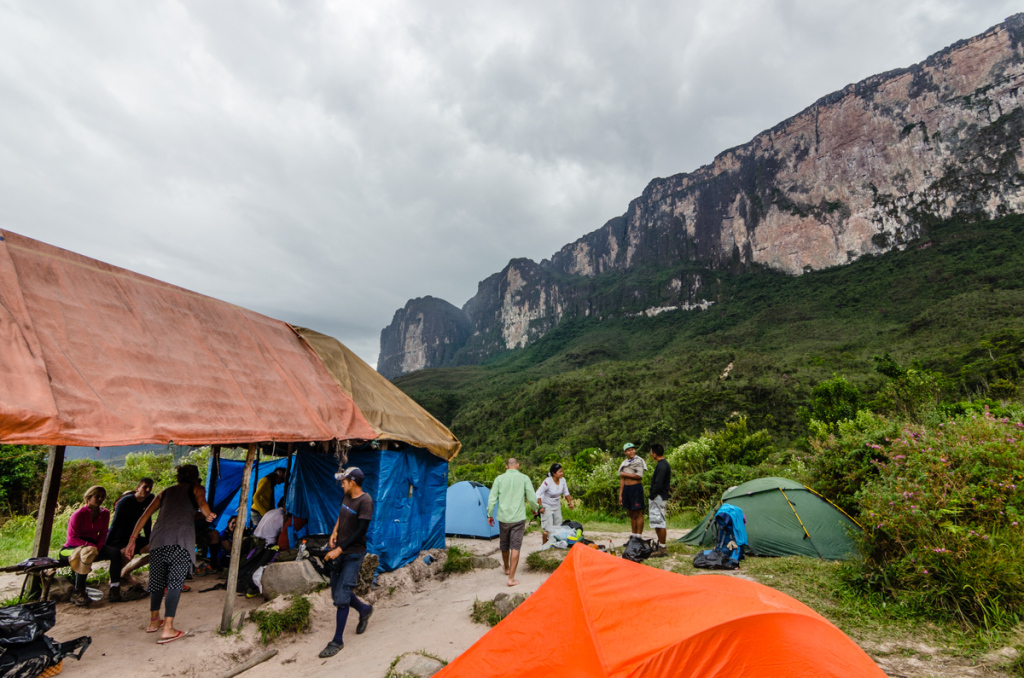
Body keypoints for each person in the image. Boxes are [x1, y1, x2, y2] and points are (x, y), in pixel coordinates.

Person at [125, 464, 216, 645]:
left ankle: (153, 622)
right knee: (175, 582)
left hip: (158, 538)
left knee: (157, 579)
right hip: (180, 539)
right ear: (195, 477)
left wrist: (132, 539)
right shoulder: (197, 488)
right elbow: (202, 503)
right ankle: (168, 628)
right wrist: (208, 514)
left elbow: (144, 516)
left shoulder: (165, 492)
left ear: (178, 477)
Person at [319, 467, 374, 659]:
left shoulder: (365, 501)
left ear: (353, 482)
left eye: (344, 481)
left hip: (353, 554)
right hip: (340, 551)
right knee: (337, 593)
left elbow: (361, 531)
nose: (341, 484)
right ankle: (364, 609)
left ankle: (337, 640)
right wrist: (335, 532)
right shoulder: (347, 496)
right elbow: (341, 515)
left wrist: (339, 550)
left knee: (341, 599)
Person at [60, 485, 124, 605]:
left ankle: (114, 587)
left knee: (115, 553)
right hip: (71, 548)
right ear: (88, 498)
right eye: (97, 496)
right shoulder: (78, 515)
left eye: (102, 497)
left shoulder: (104, 513)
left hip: (94, 546)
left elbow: (104, 532)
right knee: (86, 554)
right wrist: (90, 546)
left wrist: (98, 547)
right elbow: (71, 538)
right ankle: (78, 591)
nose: (100, 499)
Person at [486, 458, 535, 587]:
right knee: (515, 546)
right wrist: (535, 509)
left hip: (503, 518)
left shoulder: (499, 479)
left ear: (506, 467)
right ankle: (511, 579)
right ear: (517, 466)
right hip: (518, 518)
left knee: (504, 543)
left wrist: (489, 514)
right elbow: (531, 496)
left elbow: (492, 498)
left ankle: (507, 568)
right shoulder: (524, 478)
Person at [106, 478, 154, 586]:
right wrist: (106, 544)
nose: (147, 490)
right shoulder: (125, 502)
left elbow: (147, 521)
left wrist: (149, 538)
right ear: (137, 489)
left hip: (135, 537)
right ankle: (115, 577)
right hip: (120, 538)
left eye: (150, 487)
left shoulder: (150, 499)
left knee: (157, 549)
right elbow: (115, 524)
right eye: (145, 487)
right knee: (127, 554)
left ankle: (126, 572)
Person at [535, 463, 575, 545]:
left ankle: (555, 544)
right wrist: (540, 507)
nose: (562, 473)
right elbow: (538, 494)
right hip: (546, 506)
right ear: (554, 473)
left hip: (556, 505)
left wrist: (570, 503)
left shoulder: (562, 480)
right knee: (547, 527)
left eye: (562, 471)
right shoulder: (547, 482)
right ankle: (544, 547)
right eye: (559, 472)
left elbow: (566, 492)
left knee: (558, 526)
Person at [618, 443, 648, 540]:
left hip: (636, 488)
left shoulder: (638, 461)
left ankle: (639, 536)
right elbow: (622, 479)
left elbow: (639, 476)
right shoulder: (624, 463)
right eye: (629, 450)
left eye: (633, 449)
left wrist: (625, 474)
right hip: (627, 489)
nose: (631, 451)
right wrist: (620, 495)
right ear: (625, 452)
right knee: (631, 513)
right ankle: (633, 535)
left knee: (638, 512)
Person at [648, 444, 671, 555]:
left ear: (654, 453)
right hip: (659, 496)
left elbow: (659, 483)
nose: (651, 454)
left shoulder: (662, 466)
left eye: (651, 452)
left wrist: (652, 495)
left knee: (660, 522)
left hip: (659, 497)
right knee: (657, 522)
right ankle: (660, 546)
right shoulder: (663, 464)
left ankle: (662, 548)